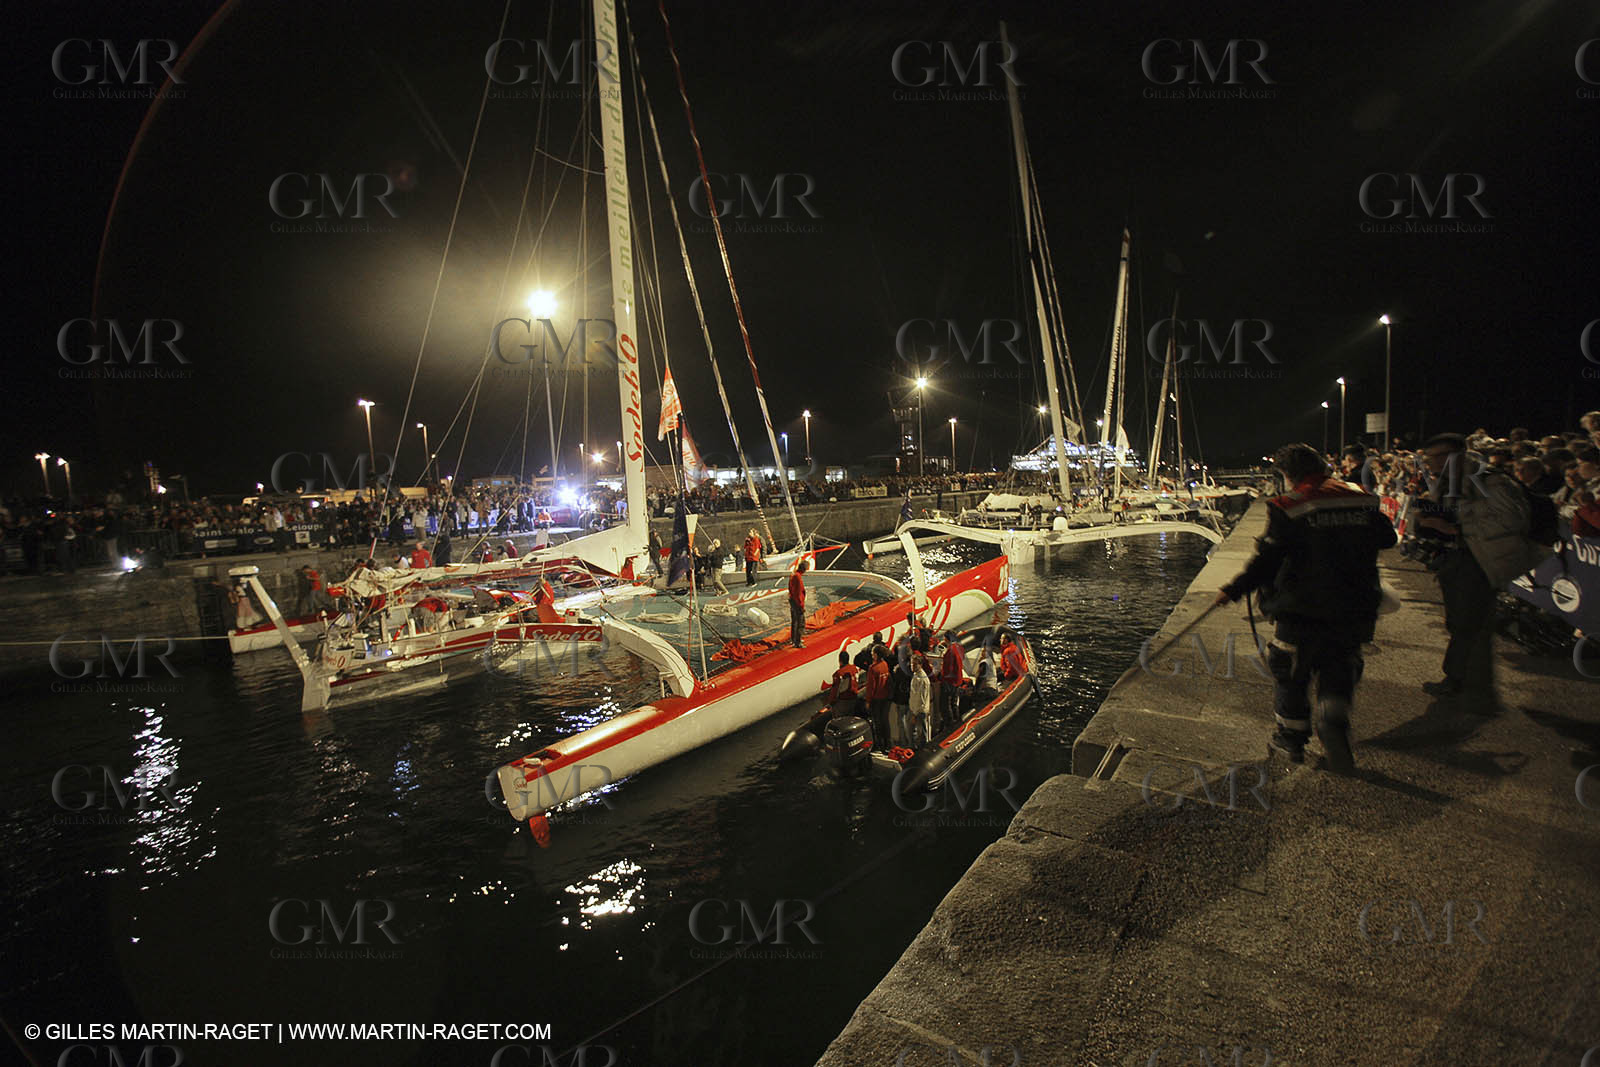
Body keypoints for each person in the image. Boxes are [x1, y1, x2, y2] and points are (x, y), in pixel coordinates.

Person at [1212, 442, 1398, 771]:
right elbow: (1388, 539)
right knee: (1340, 664)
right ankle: (1332, 716)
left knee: (1291, 671)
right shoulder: (1360, 496)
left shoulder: (1290, 505)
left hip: (1303, 607)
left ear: (1288, 474)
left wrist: (1234, 590)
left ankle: (1291, 740)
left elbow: (1267, 562)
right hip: (1355, 605)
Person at [1414, 433, 1551, 711]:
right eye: (1429, 458)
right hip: (1455, 557)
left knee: (1468, 622)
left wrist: (1455, 523)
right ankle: (1472, 682)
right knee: (1460, 620)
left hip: (1478, 559)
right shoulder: (1446, 480)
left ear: (1459, 455)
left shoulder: (1490, 480)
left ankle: (1460, 681)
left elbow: (1511, 519)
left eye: (1439, 456)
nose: (1432, 463)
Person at [864, 645, 893, 750]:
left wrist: (868, 701)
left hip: (876, 699)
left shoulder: (873, 668)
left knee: (877, 722)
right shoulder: (885, 664)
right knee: (885, 720)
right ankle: (888, 743)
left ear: (876, 654)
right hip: (885, 698)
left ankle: (880, 745)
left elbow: (871, 687)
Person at [938, 629, 967, 734]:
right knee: (954, 703)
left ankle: (949, 726)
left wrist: (941, 677)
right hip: (958, 680)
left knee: (945, 705)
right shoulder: (959, 648)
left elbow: (948, 669)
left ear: (946, 639)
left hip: (949, 682)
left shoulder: (950, 651)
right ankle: (957, 722)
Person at [908, 654, 932, 748]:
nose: (912, 666)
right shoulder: (916, 675)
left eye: (915, 664)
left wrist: (914, 713)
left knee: (921, 734)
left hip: (919, 712)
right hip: (915, 710)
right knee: (917, 733)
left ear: (920, 665)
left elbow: (920, 699)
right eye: (911, 664)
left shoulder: (921, 679)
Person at [827, 650, 860, 718]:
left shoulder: (839, 674)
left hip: (843, 701)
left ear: (840, 660)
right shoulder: (854, 668)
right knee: (850, 716)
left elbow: (836, 689)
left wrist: (831, 701)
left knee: (840, 719)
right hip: (853, 698)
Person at [787, 558, 808, 648]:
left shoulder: (793, 575)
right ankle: (798, 642)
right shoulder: (798, 578)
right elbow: (799, 593)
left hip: (792, 600)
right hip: (797, 603)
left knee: (794, 621)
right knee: (800, 622)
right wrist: (801, 606)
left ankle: (794, 639)